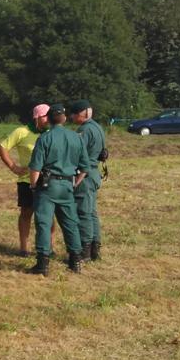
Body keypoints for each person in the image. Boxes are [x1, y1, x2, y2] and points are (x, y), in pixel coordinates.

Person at [26, 104, 90, 275]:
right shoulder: (77, 138)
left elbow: (35, 167)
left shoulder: (45, 138)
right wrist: (74, 183)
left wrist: (33, 185)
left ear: (48, 119)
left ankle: (42, 264)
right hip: (67, 186)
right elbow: (85, 168)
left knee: (44, 224)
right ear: (64, 118)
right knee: (70, 223)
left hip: (47, 187)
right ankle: (75, 261)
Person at [0, 103, 51, 255]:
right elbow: (2, 147)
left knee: (49, 215)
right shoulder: (21, 132)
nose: (48, 119)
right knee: (26, 214)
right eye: (45, 116)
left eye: (50, 115)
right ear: (37, 118)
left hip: (49, 180)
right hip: (27, 181)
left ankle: (49, 248)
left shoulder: (52, 132)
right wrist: (14, 167)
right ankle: (24, 248)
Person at [69, 99, 105, 261]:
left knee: (83, 213)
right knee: (91, 212)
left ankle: (85, 251)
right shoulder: (97, 127)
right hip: (94, 173)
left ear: (80, 114)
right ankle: (95, 249)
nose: (71, 117)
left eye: (73, 114)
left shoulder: (84, 130)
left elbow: (76, 153)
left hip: (85, 176)